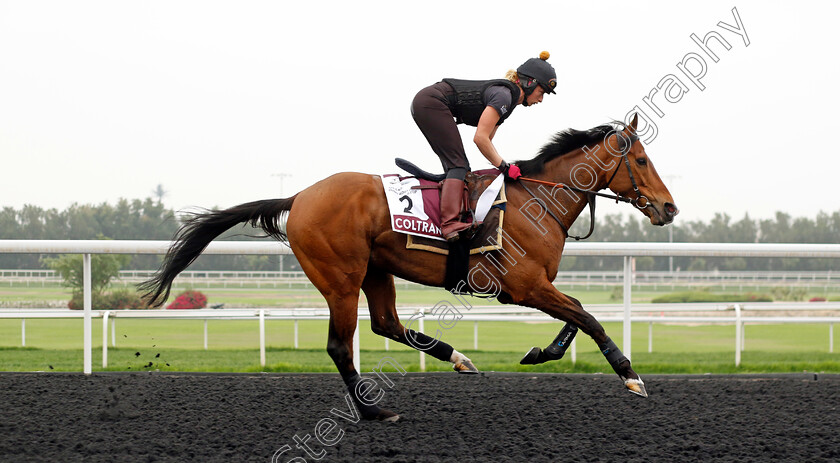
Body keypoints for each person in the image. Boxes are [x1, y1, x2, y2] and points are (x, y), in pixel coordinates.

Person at [411, 51, 557, 242]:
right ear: (530, 82)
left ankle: (451, 215)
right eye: (542, 92)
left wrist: (502, 165)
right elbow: (480, 138)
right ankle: (449, 223)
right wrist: (504, 166)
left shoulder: (508, 102)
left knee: (460, 169)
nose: (541, 99)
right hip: (431, 102)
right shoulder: (504, 96)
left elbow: (487, 141)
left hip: (428, 102)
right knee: (458, 165)